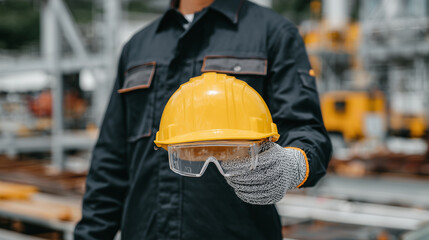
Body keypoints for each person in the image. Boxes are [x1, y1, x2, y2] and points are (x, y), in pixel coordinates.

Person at [74, 0, 332, 239]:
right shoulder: (138, 47)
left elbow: (308, 131)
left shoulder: (273, 33)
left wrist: (293, 164)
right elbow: (110, 161)